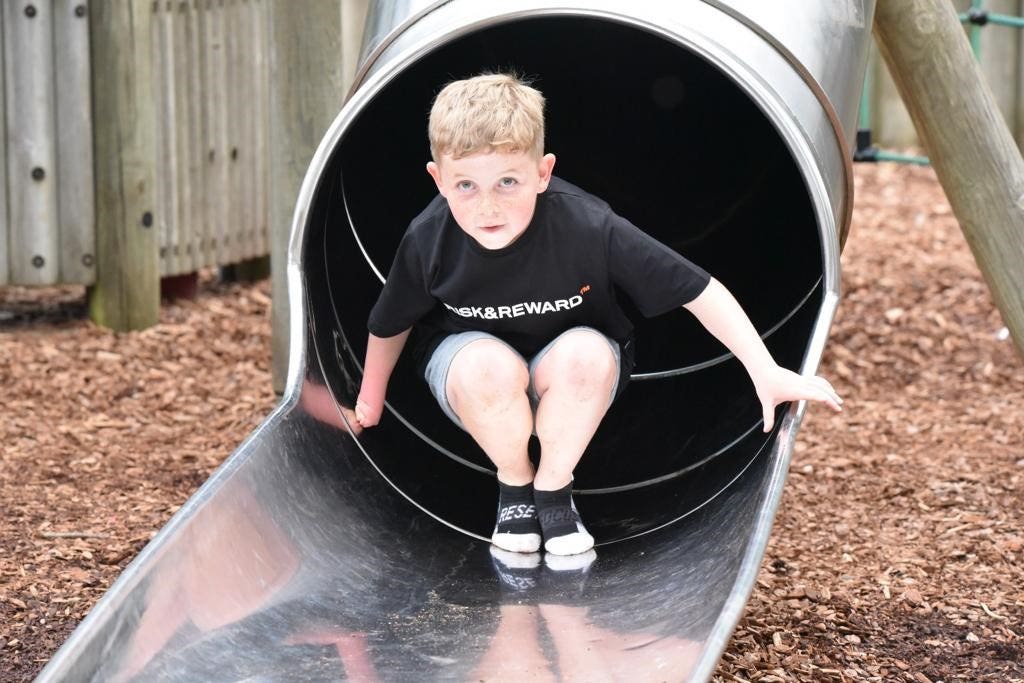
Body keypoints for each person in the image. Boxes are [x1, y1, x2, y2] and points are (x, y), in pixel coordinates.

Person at [354, 73, 842, 556]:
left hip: (571, 370)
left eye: (508, 181)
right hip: (473, 373)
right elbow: (391, 321)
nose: (488, 205)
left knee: (586, 354)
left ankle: (553, 487)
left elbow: (697, 289)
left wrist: (764, 369)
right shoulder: (428, 238)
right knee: (487, 368)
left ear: (543, 173)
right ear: (437, 180)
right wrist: (370, 402)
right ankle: (515, 486)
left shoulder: (586, 225)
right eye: (465, 185)